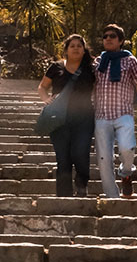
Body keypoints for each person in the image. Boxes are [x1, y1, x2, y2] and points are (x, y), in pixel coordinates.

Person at [93, 23, 137, 198]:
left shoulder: (130, 60)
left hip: (123, 115)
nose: (108, 39)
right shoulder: (97, 62)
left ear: (121, 41)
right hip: (101, 117)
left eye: (112, 36)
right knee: (104, 159)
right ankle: (113, 198)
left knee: (127, 149)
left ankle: (126, 173)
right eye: (105, 36)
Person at [38, 34, 95, 196]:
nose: (76, 48)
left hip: (84, 118)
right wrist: (46, 100)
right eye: (72, 46)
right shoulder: (56, 67)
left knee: (80, 152)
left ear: (84, 50)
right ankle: (64, 195)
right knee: (63, 158)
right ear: (66, 50)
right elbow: (42, 87)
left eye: (79, 46)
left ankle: (82, 184)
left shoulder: (91, 69)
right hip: (59, 119)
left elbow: (98, 89)